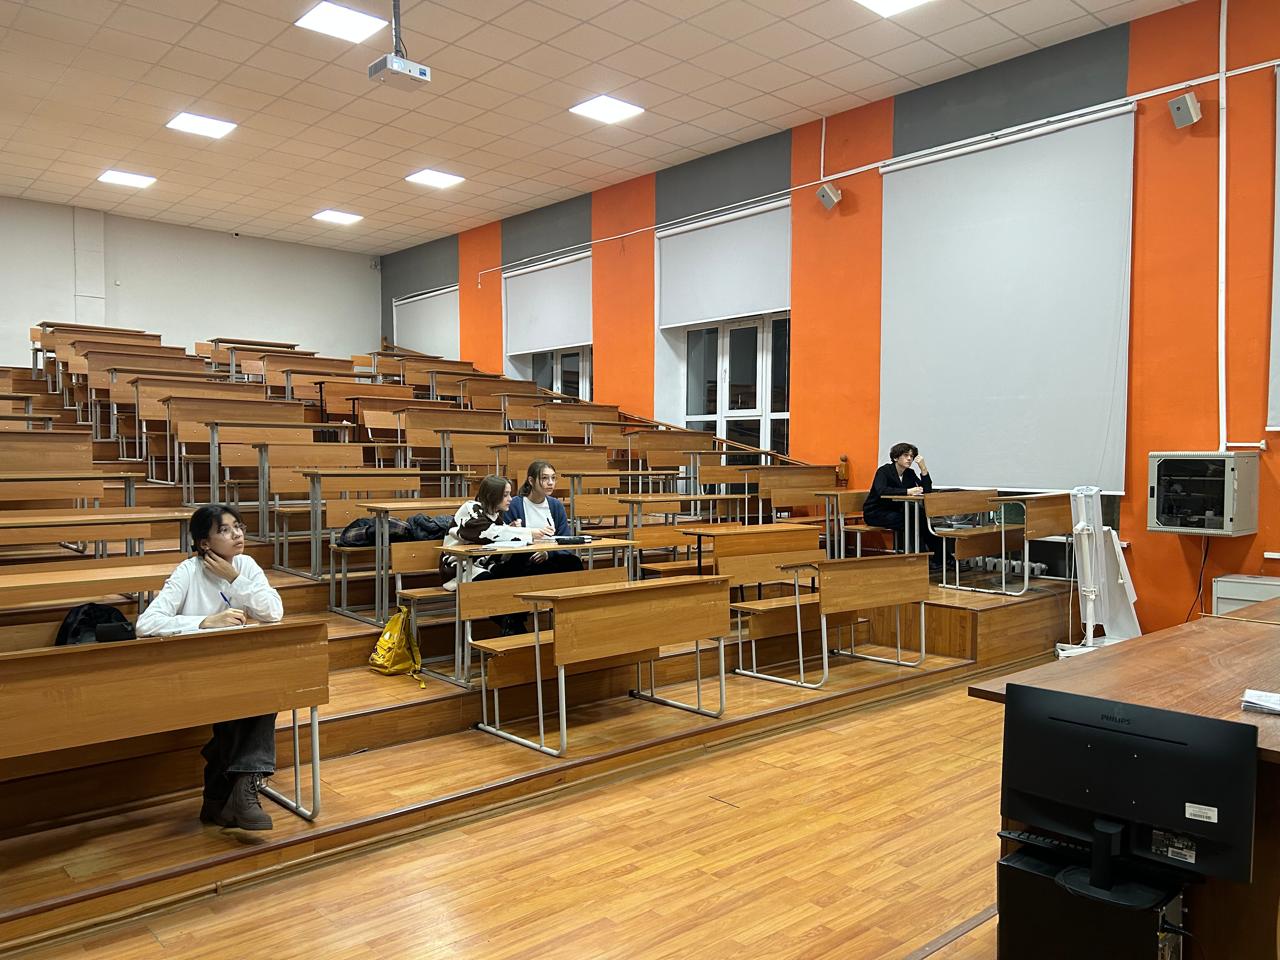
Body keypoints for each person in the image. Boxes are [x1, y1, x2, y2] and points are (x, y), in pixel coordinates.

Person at [135, 504, 284, 831]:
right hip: (192, 673)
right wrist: (203, 622)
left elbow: (274, 612)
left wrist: (236, 579)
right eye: (225, 530)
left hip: (235, 670)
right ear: (204, 543)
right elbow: (146, 624)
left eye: (239, 527)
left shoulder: (245, 566)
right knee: (253, 697)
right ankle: (234, 792)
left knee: (264, 690)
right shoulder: (188, 572)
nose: (237, 534)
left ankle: (226, 795)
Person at [862, 442, 944, 568]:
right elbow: (881, 490)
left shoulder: (909, 473)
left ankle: (941, 558)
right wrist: (907, 491)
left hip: (897, 510)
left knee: (921, 517)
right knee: (912, 521)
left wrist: (923, 469)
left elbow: (927, 490)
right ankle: (921, 560)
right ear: (896, 457)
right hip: (876, 512)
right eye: (906, 455)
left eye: (911, 456)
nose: (909, 459)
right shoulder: (884, 471)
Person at [504, 459, 585, 577]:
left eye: (553, 478)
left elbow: (565, 540)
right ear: (531, 481)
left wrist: (547, 553)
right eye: (544, 478)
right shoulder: (514, 504)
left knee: (574, 562)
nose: (550, 483)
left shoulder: (556, 505)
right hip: (524, 557)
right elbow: (504, 540)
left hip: (550, 556)